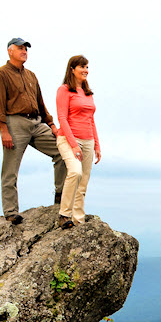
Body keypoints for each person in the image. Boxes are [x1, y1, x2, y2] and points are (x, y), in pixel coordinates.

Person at [0, 37, 66, 225]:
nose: (24, 52)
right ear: (10, 51)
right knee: (10, 169)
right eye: (20, 48)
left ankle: (60, 198)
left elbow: (41, 103)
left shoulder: (31, 75)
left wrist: (52, 125)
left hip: (37, 123)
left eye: (26, 49)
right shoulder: (0, 74)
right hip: (14, 123)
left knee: (62, 151)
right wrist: (3, 130)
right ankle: (10, 211)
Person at [55, 55, 101, 229]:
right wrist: (73, 144)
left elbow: (91, 120)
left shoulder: (87, 93)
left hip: (88, 139)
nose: (85, 70)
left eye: (87, 67)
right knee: (75, 172)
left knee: (83, 183)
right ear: (72, 69)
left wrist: (97, 144)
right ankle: (64, 214)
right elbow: (62, 118)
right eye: (82, 67)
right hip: (68, 139)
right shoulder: (64, 90)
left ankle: (78, 220)